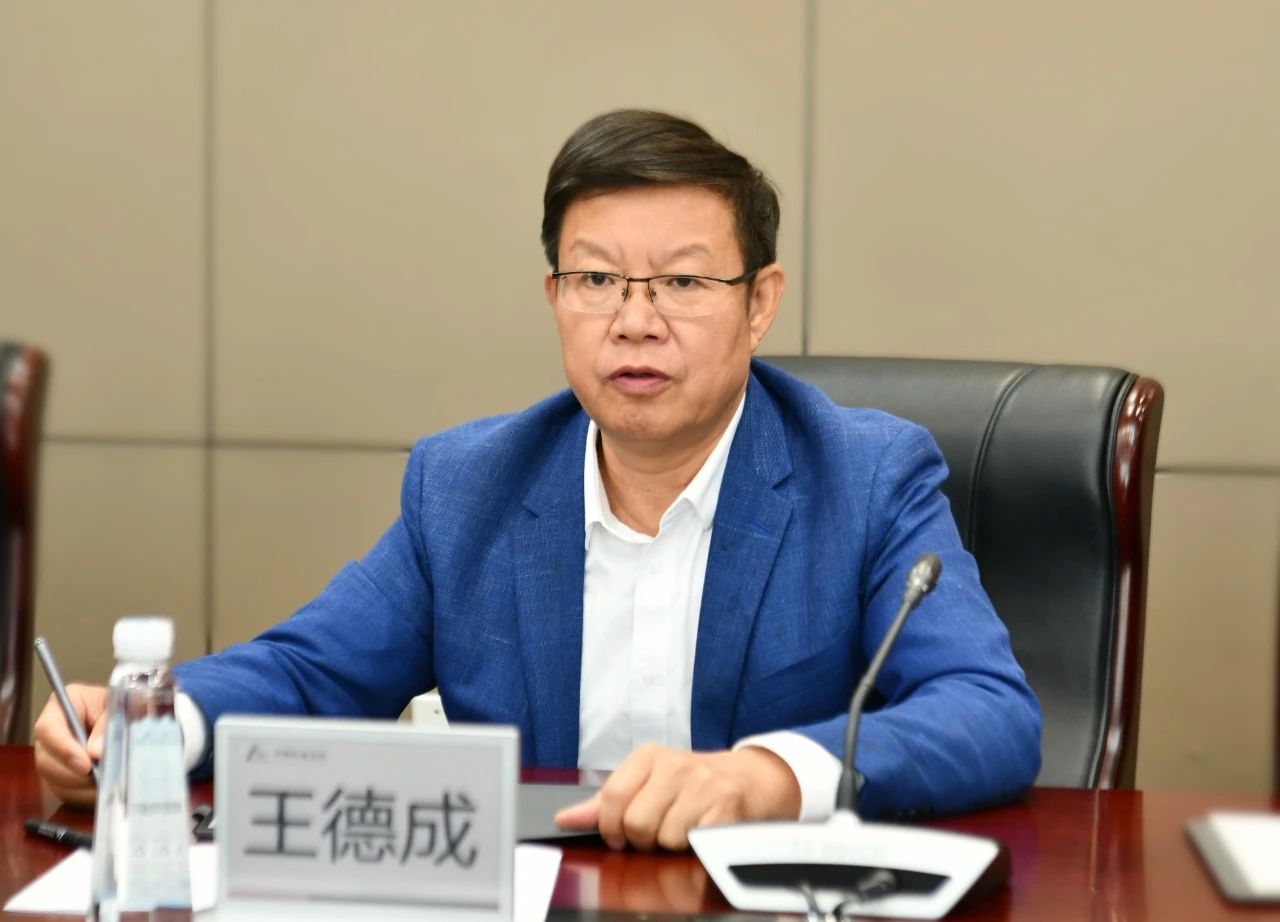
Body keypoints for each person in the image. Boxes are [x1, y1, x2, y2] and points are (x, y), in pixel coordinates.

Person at [34, 109, 1041, 851]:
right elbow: (311, 671)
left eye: (682, 283)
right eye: (596, 280)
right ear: (554, 295)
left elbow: (986, 710)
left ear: (759, 303)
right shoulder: (467, 485)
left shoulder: (864, 474)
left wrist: (767, 777)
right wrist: (150, 723)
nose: (634, 321)